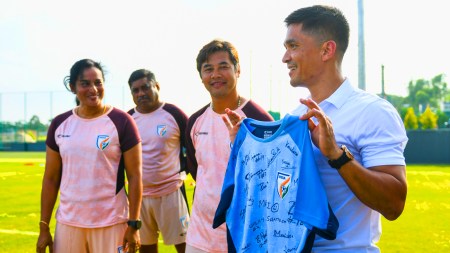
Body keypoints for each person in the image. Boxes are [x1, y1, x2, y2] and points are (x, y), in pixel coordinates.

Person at [224, 5, 408, 253]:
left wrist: (336, 155)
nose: (285, 57)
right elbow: (280, 194)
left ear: (326, 50)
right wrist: (247, 152)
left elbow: (394, 204)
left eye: (293, 46)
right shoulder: (294, 117)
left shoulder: (373, 112)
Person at [36, 59, 143, 253]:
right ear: (73, 87)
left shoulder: (122, 121)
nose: (93, 89)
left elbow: (135, 176)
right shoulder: (60, 124)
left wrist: (134, 225)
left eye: (98, 82)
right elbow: (50, 178)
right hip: (69, 223)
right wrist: (44, 227)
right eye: (85, 84)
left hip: (111, 222)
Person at [185, 39, 274, 253]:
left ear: (238, 70)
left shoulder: (259, 118)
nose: (215, 74)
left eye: (223, 66)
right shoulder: (195, 121)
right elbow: (199, 172)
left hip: (244, 237)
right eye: (208, 69)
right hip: (200, 237)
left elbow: (270, 179)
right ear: (201, 76)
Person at [127, 69, 190, 253]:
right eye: (135, 90)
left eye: (145, 88)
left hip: (171, 192)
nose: (140, 94)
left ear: (157, 86)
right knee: (146, 248)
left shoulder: (174, 114)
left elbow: (193, 150)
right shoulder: (128, 119)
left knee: (185, 246)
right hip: (140, 196)